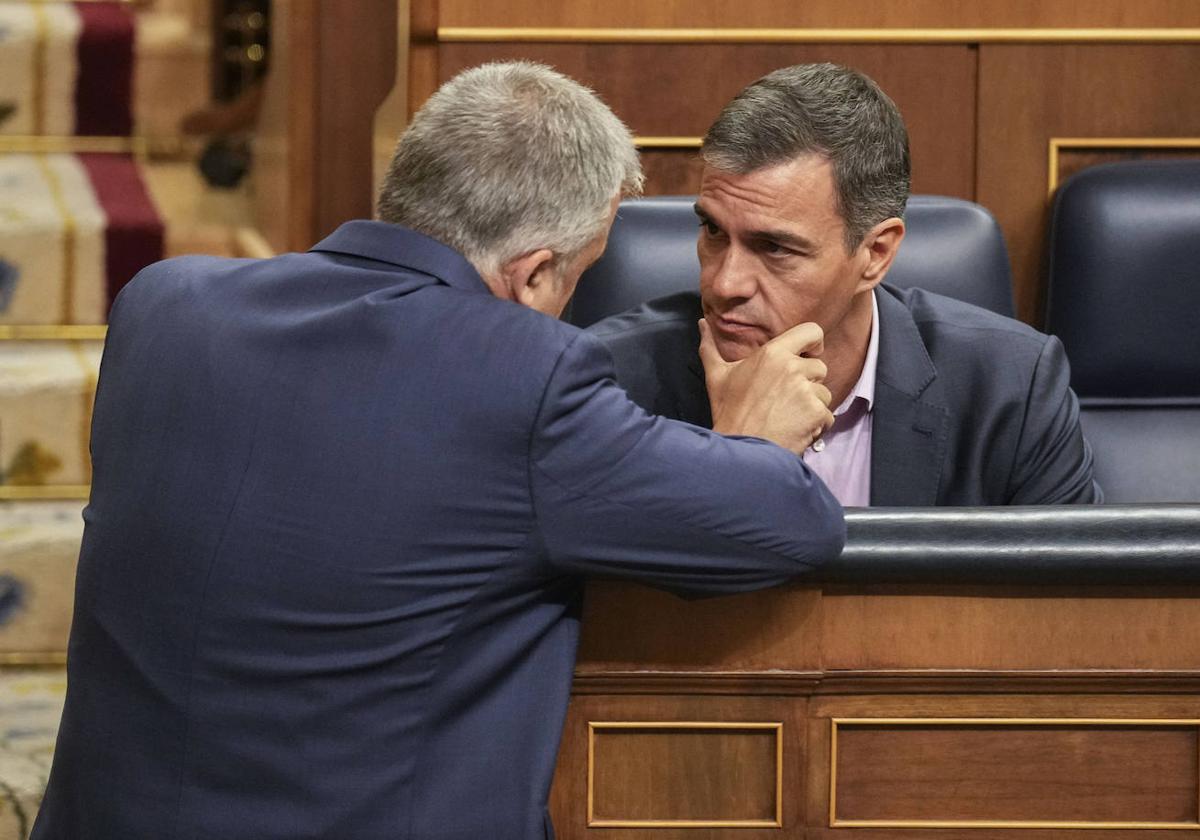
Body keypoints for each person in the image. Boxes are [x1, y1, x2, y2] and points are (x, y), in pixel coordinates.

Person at [31, 63, 844, 840]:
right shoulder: (526, 377)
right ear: (532, 278)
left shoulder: (164, 310)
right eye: (575, 281)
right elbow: (788, 522)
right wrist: (750, 440)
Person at [589, 63, 1101, 506]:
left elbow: (1074, 607)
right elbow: (613, 612)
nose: (724, 283)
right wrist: (737, 459)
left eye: (775, 248)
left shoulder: (1011, 387)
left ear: (875, 254)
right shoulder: (609, 385)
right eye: (714, 231)